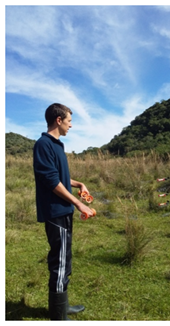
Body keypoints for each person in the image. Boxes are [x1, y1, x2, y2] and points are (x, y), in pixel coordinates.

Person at [33, 103, 94, 320]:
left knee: (65, 259)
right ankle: (58, 317)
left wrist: (78, 184)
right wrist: (79, 204)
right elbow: (51, 181)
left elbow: (60, 177)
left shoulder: (57, 145)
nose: (71, 125)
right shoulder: (43, 144)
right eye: (69, 121)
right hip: (55, 211)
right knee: (59, 262)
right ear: (58, 120)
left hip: (64, 210)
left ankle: (62, 305)